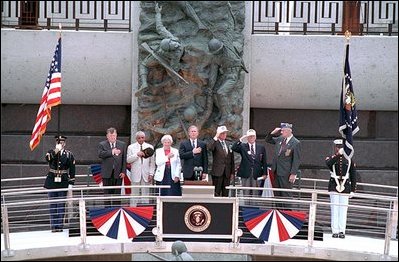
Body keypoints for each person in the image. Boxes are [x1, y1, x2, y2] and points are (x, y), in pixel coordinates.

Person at [207, 38, 248, 125]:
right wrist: (210, 87)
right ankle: (222, 112)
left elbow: (239, 50)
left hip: (233, 75)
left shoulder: (231, 47)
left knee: (221, 92)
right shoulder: (215, 58)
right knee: (214, 93)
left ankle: (227, 115)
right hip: (225, 75)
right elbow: (213, 75)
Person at [325, 139, 357, 239]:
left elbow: (353, 175)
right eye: (337, 147)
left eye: (341, 147)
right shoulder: (331, 158)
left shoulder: (349, 160)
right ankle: (334, 231)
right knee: (334, 209)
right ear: (335, 147)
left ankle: (342, 231)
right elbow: (329, 164)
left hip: (345, 186)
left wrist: (352, 189)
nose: (339, 148)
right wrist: (338, 155)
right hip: (334, 185)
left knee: (343, 210)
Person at [265, 123, 301, 210]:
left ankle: (287, 213)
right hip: (276, 170)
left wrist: (293, 173)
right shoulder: (280, 139)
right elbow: (268, 140)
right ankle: (278, 212)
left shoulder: (295, 142)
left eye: (283, 131)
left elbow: (296, 159)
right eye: (281, 130)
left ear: (289, 131)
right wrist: (273, 132)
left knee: (286, 194)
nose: (281, 132)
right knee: (277, 193)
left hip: (286, 172)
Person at [44, 135, 75, 232]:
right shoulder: (51, 153)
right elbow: (48, 158)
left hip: (63, 181)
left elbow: (72, 170)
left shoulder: (69, 154)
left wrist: (71, 183)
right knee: (52, 204)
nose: (61, 144)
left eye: (62, 143)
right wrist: (56, 150)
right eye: (59, 142)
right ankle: (53, 226)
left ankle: (59, 226)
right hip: (52, 181)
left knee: (61, 204)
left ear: (65, 143)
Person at [231, 129, 267, 197]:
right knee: (246, 192)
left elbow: (264, 161)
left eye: (253, 136)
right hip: (246, 172)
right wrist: (241, 139)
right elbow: (234, 147)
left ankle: (255, 207)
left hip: (257, 173)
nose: (251, 138)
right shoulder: (243, 146)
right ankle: (246, 207)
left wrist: (265, 173)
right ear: (247, 137)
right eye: (250, 136)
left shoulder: (261, 147)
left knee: (256, 192)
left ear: (255, 137)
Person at [98, 127, 127, 207]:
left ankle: (116, 210)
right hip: (106, 173)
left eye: (114, 135)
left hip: (118, 173)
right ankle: (107, 211)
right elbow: (100, 154)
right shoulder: (102, 144)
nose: (112, 137)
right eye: (111, 136)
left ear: (116, 135)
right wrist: (112, 152)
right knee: (107, 194)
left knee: (117, 194)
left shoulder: (122, 144)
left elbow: (124, 159)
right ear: (107, 136)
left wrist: (123, 171)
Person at [126, 131, 155, 206]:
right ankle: (133, 209)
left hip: (146, 174)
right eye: (139, 138)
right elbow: (128, 160)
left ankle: (145, 211)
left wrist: (151, 173)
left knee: (145, 193)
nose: (141, 139)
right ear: (136, 138)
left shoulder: (150, 147)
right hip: (135, 174)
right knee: (134, 194)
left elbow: (152, 163)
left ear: (145, 138)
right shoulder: (131, 147)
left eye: (142, 137)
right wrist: (137, 155)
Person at [207, 125, 235, 197]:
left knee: (225, 192)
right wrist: (216, 137)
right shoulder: (215, 143)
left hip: (227, 172)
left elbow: (231, 159)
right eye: (222, 133)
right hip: (217, 172)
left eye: (225, 133)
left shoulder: (229, 143)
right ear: (218, 134)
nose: (224, 135)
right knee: (217, 191)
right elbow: (209, 147)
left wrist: (232, 172)